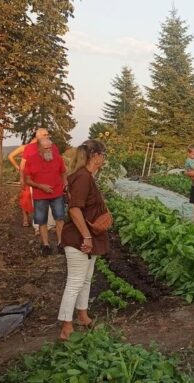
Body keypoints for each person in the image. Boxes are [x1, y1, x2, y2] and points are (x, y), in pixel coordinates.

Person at [57, 139, 109, 340]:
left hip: (88, 238)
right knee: (75, 281)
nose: (104, 159)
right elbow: (75, 208)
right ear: (95, 156)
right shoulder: (83, 177)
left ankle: (82, 315)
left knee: (85, 279)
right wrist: (86, 236)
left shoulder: (86, 176)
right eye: (103, 155)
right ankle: (66, 327)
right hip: (79, 239)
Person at [24, 138, 67, 255]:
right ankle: (46, 245)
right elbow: (27, 180)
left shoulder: (58, 158)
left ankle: (61, 243)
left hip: (57, 193)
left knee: (60, 218)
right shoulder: (31, 160)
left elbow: (63, 172)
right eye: (46, 148)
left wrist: (65, 184)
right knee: (42, 220)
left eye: (50, 147)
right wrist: (40, 186)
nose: (49, 150)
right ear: (39, 148)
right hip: (40, 195)